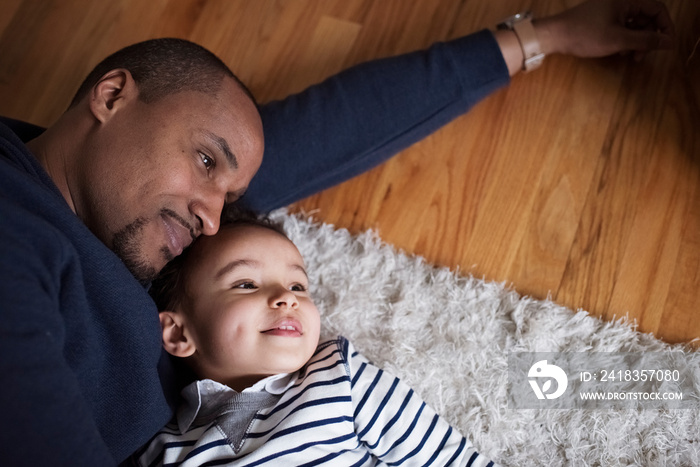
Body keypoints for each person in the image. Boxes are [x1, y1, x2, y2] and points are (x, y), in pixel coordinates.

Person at [0, 0, 674, 464]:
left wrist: (543, 36)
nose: (211, 215)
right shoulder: (17, 226)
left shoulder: (138, 213)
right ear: (112, 96)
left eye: (226, 193)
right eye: (206, 160)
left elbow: (327, 129)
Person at [134, 214, 497, 466]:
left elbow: (445, 456)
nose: (287, 297)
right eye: (246, 284)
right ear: (180, 333)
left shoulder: (338, 377)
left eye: (298, 286)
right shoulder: (163, 447)